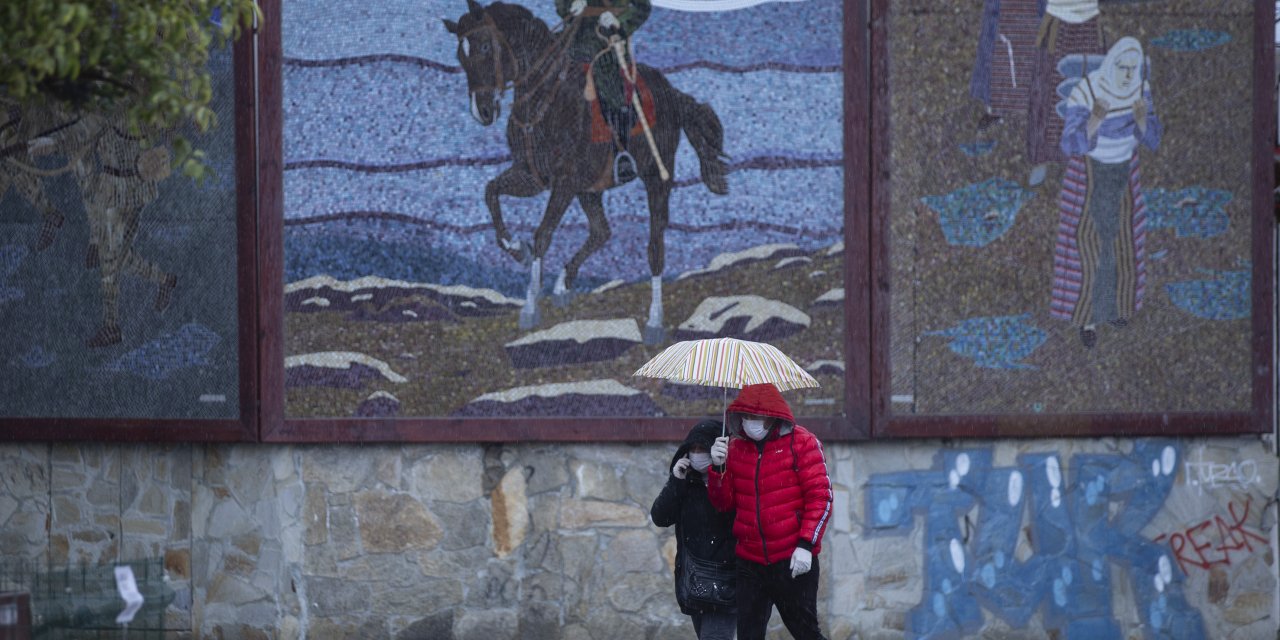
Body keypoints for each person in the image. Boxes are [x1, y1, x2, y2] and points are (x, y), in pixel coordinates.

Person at [1051, 36, 1161, 348]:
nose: (1127, 74)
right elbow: (1069, 144)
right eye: (1122, 67)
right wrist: (1095, 120)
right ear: (1112, 64)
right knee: (1088, 243)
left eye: (1133, 68)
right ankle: (1087, 317)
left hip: (1124, 173)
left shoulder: (1140, 90)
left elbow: (1153, 139)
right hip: (1089, 174)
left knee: (1122, 241)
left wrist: (1141, 120)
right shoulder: (1086, 91)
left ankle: (1113, 308)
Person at [707, 383, 832, 640]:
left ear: (773, 416)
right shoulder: (735, 448)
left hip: (791, 558)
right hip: (750, 561)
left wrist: (806, 545)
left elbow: (821, 497)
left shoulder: (802, 443)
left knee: (806, 632)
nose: (750, 423)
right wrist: (718, 469)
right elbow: (723, 504)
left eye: (757, 417)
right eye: (745, 416)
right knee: (748, 634)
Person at [651, 419, 738, 640]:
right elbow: (661, 517)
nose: (697, 454)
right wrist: (676, 480)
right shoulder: (687, 483)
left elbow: (728, 514)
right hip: (695, 582)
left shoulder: (733, 479)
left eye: (703, 448)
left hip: (725, 582)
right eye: (693, 449)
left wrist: (718, 470)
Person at [555, 0, 651, 184]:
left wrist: (619, 22)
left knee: (611, 89)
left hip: (608, 42)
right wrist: (570, 8)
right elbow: (561, 5)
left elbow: (643, 8)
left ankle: (621, 154)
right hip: (575, 37)